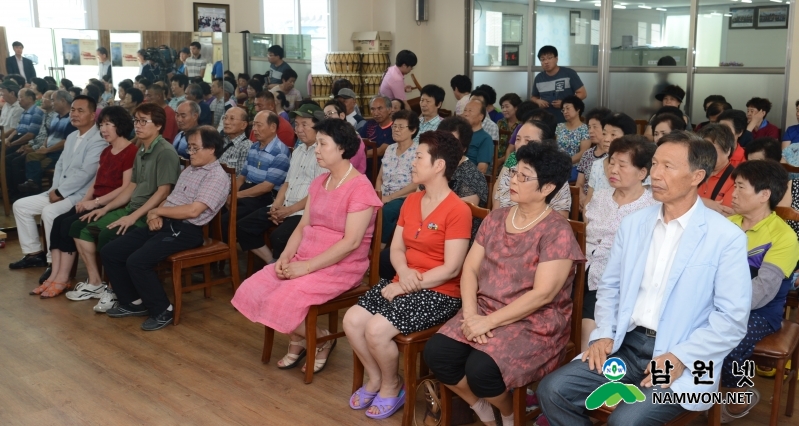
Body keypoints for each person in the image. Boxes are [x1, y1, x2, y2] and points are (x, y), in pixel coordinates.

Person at [538, 131, 752, 425]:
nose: (656, 173)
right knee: (552, 391)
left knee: (626, 421)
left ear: (696, 176)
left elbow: (732, 318)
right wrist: (603, 334)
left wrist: (680, 357)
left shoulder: (725, 237)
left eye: (668, 166)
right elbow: (610, 286)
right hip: (625, 345)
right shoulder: (635, 224)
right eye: (654, 164)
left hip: (680, 353)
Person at [425, 141, 583, 426]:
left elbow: (542, 295)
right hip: (485, 308)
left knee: (482, 369)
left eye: (524, 177)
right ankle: (483, 409)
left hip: (534, 321)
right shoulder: (496, 218)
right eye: (514, 173)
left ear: (547, 188)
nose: (513, 180)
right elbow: (471, 268)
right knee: (438, 354)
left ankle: (510, 416)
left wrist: (489, 322)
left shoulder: (556, 231)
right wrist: (472, 315)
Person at [233, 118, 381, 371]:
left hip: (341, 265)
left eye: (323, 144)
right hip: (307, 257)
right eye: (317, 144)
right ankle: (300, 336)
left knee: (281, 297)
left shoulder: (360, 188)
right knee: (254, 288)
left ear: (342, 148)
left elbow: (351, 242)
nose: (317, 149)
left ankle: (320, 338)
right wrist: (286, 257)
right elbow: (303, 226)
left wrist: (307, 267)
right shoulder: (319, 182)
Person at [344, 131, 471, 419]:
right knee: (352, 320)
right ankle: (375, 378)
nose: (412, 163)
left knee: (376, 329)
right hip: (405, 281)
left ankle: (392, 385)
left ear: (438, 166)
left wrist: (405, 286)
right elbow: (397, 248)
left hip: (440, 293)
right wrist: (402, 275)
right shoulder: (412, 201)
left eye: (418, 157)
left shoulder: (457, 210)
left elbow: (451, 268)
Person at [101, 126, 229, 331]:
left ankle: (163, 310)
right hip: (166, 222)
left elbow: (193, 211)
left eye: (195, 148)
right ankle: (134, 302)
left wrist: (158, 213)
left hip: (187, 230)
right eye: (190, 148)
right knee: (111, 251)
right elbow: (171, 199)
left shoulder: (216, 177)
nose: (190, 153)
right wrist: (154, 213)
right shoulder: (190, 169)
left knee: (137, 261)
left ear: (211, 149)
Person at [67, 103, 180, 311]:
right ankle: (99, 284)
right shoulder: (142, 149)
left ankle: (114, 289)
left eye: (143, 121)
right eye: (136, 120)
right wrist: (105, 208)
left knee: (107, 237)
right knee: (82, 226)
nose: (138, 126)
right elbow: (132, 187)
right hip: (132, 207)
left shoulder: (165, 152)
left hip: (148, 213)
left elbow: (163, 192)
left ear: (158, 125)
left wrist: (133, 216)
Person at [719, 160, 799, 422]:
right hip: (719, 302)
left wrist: (718, 306)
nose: (734, 192)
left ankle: (738, 393)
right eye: (735, 185)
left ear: (764, 195)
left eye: (741, 187)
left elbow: (763, 291)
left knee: (731, 336)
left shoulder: (784, 236)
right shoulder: (726, 225)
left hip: (762, 312)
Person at [36, 107, 137, 299]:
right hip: (96, 201)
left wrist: (96, 202)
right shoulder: (106, 151)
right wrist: (85, 200)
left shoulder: (131, 151)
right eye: (101, 124)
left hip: (114, 203)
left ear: (121, 125)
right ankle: (55, 275)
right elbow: (96, 181)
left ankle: (79, 279)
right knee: (58, 222)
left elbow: (125, 188)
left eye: (108, 124)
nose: (103, 129)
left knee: (70, 225)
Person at [9, 96, 106, 272]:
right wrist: (55, 189)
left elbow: (87, 173)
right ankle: (34, 253)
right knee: (20, 206)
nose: (75, 114)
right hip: (59, 191)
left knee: (50, 212)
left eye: (80, 111)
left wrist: (61, 193)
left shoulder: (98, 139)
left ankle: (53, 263)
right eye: (73, 110)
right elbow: (60, 165)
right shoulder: (71, 135)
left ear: (93, 115)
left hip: (81, 195)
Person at [582, 136, 658, 350]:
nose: (613, 170)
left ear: (642, 173)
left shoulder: (652, 206)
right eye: (611, 162)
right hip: (580, 269)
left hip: (614, 280)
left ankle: (586, 369)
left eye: (622, 165)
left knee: (590, 318)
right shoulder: (601, 197)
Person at [237, 104, 328, 264]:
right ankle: (272, 263)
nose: (298, 129)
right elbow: (287, 183)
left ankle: (284, 272)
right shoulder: (298, 151)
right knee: (243, 226)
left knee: (278, 237)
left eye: (304, 125)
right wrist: (276, 205)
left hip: (304, 211)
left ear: (318, 126)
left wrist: (289, 211)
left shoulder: (324, 153)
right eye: (297, 124)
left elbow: (318, 193)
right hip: (285, 205)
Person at [225, 110, 291, 239]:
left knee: (225, 221)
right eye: (253, 125)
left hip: (263, 197)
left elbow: (267, 186)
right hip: (248, 191)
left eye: (259, 125)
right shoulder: (254, 147)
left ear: (272, 127)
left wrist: (235, 196)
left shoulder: (280, 152)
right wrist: (232, 194)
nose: (254, 129)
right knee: (216, 212)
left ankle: (225, 253)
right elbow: (242, 176)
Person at [493, 119, 571, 219]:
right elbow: (495, 213)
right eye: (517, 139)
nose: (520, 145)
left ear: (545, 145)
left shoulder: (555, 178)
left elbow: (560, 222)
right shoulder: (510, 171)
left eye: (528, 141)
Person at [376, 110, 420, 246]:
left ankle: (379, 248)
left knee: (387, 211)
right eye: (394, 126)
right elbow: (379, 178)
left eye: (401, 127)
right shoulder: (390, 149)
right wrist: (378, 196)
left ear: (412, 130)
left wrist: (389, 198)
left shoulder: (418, 152)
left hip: (405, 196)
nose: (395, 130)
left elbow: (415, 185)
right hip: (383, 195)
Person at [583, 113, 638, 207]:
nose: (606, 139)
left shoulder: (638, 165)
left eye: (613, 134)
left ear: (628, 137)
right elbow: (588, 203)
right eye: (604, 134)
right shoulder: (597, 165)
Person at [531, 46, 587, 123]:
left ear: (556, 59)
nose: (546, 62)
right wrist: (538, 101)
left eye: (549, 58)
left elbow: (582, 93)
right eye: (542, 59)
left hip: (566, 120)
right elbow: (533, 97)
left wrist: (564, 103)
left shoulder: (569, 73)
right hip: (546, 120)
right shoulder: (538, 78)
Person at [4, 89, 44, 189]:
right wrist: (8, 139)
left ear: (30, 99)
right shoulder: (24, 112)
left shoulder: (36, 112)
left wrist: (12, 144)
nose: (18, 100)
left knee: (8, 159)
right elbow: (17, 128)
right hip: (18, 138)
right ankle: (7, 188)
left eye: (21, 97)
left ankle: (14, 189)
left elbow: (31, 135)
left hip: (25, 140)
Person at [696, 124, 737, 216]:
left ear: (728, 150)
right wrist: (704, 202)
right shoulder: (693, 170)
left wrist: (691, 201)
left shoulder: (736, 179)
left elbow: (725, 213)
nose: (706, 154)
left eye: (711, 150)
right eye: (703, 149)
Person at [575, 107, 612, 200]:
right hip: (584, 201)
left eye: (595, 127)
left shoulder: (613, 154)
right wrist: (582, 198)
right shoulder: (587, 154)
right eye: (589, 127)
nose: (590, 131)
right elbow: (579, 183)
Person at [323, 100, 367, 174]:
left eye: (330, 113)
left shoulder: (354, 138)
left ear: (342, 116)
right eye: (325, 115)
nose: (327, 118)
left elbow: (350, 165)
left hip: (351, 178)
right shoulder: (328, 136)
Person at [359, 96, 395, 176]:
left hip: (383, 170)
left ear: (389, 109)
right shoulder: (369, 124)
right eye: (373, 109)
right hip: (363, 166)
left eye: (380, 108)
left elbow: (381, 151)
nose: (376, 113)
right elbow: (358, 142)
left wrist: (358, 155)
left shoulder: (395, 128)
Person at [555, 95, 590, 169]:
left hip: (575, 167)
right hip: (557, 165)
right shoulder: (559, 126)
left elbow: (583, 152)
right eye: (563, 110)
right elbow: (555, 147)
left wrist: (565, 163)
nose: (565, 112)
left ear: (577, 109)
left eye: (567, 108)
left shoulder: (585, 129)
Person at [217, 107, 253, 176]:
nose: (226, 122)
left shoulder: (246, 147)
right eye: (225, 118)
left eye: (232, 118)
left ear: (243, 125)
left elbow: (240, 178)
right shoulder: (221, 141)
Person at [461, 99, 493, 174]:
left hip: (470, 179)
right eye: (465, 110)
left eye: (470, 111)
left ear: (481, 116)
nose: (465, 114)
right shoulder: (459, 134)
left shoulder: (485, 138)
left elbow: (482, 169)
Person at [497, 93, 522, 164]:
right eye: (502, 107)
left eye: (507, 107)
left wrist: (502, 160)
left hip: (514, 161)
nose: (504, 110)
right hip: (496, 159)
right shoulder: (500, 123)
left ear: (516, 107)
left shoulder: (521, 125)